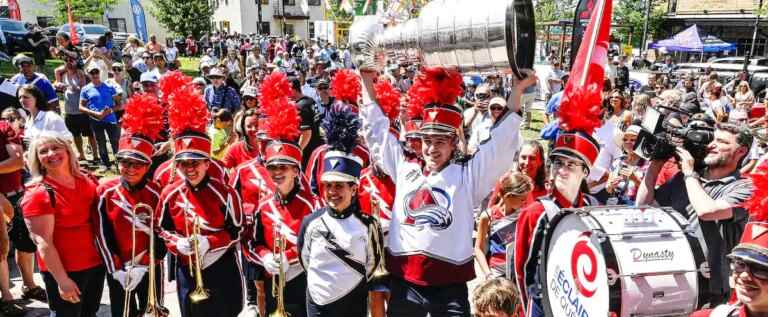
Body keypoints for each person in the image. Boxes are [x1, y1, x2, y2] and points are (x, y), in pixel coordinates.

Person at [360, 67, 533, 316]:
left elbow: (500, 144)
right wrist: (367, 81)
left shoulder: (467, 174)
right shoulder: (404, 165)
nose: (432, 149)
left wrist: (516, 91)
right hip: (405, 283)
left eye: (440, 141)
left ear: (454, 142)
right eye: (427, 141)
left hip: (450, 287)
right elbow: (377, 132)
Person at [637, 122, 755, 306]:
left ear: (741, 151)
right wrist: (656, 163)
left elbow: (707, 211)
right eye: (713, 139)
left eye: (722, 142)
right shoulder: (687, 177)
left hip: (709, 289)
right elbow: (643, 206)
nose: (712, 145)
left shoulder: (745, 188)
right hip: (669, 277)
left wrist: (690, 174)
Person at [157, 86, 243, 317]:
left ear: (207, 163)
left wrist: (210, 242)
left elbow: (237, 231)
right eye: (184, 164)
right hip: (187, 268)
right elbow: (162, 229)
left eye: (195, 162)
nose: (190, 169)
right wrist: (177, 243)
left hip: (221, 267)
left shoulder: (226, 193)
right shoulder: (170, 193)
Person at [246, 72, 318, 317]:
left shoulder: (312, 205)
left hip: (304, 283)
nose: (276, 173)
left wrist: (288, 257)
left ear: (296, 170)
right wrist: (266, 257)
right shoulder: (264, 206)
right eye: (272, 167)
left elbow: (317, 245)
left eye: (283, 167)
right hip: (271, 279)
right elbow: (252, 242)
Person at [94, 96, 165, 317]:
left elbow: (161, 233)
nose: (130, 169)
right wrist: (116, 268)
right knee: (121, 312)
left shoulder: (156, 192)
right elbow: (101, 234)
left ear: (148, 165)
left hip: (150, 266)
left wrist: (145, 264)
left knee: (152, 310)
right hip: (118, 269)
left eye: (137, 164)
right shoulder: (105, 191)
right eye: (125, 162)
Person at [21, 133, 105, 317]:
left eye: (56, 147)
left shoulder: (87, 179)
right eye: (43, 151)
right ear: (38, 159)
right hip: (65, 271)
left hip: (96, 264)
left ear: (68, 150)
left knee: (89, 313)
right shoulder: (38, 194)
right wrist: (62, 281)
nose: (51, 153)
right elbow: (44, 244)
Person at [297, 138, 383, 316]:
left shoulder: (369, 224)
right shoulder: (310, 222)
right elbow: (305, 259)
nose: (332, 192)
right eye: (328, 186)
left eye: (339, 186)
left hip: (353, 299)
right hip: (317, 300)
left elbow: (372, 264)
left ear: (353, 189)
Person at [0, 113, 36, 317]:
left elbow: (16, 161)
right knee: (1, 249)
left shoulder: (5, 127)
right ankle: (6, 296)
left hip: (17, 193)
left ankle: (29, 285)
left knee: (26, 243)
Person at [475, 171, 532, 280]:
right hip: (497, 273)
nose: (525, 202)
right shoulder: (488, 216)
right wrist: (488, 274)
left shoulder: (525, 214)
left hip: (519, 271)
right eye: (522, 199)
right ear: (509, 196)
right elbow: (478, 248)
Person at [55, 56, 98, 164]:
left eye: (71, 60)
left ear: (76, 62)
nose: (68, 63)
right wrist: (59, 84)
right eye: (66, 60)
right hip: (69, 110)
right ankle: (81, 155)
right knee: (75, 135)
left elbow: (84, 87)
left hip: (83, 111)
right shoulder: (63, 75)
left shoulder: (80, 74)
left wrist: (75, 87)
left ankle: (95, 155)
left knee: (90, 134)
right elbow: (57, 73)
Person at [80, 64, 120, 172]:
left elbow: (118, 104)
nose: (94, 75)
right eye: (92, 73)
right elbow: (81, 107)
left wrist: (110, 111)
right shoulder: (85, 89)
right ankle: (105, 164)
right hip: (95, 120)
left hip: (110, 119)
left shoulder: (109, 87)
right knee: (101, 142)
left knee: (115, 142)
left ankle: (119, 163)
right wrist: (94, 113)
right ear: (88, 74)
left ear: (100, 73)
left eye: (96, 72)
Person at [289, 76, 323, 167]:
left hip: (307, 152)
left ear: (292, 89)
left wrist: (297, 152)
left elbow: (306, 133)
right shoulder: (310, 100)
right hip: (317, 147)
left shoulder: (300, 106)